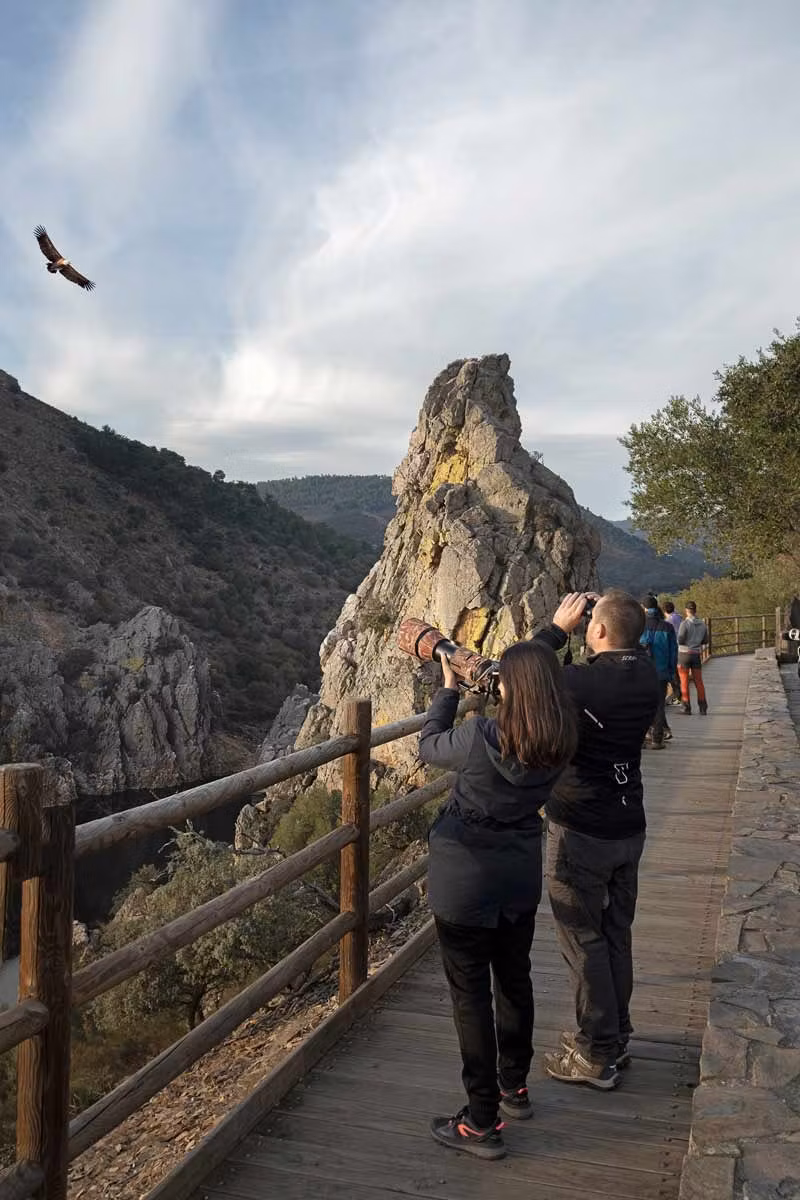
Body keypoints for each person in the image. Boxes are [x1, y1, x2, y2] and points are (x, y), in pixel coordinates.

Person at [420, 623, 579, 1160]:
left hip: (464, 881)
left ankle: (480, 1121)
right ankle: (515, 1087)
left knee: (470, 998)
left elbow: (429, 746)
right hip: (517, 877)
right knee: (514, 981)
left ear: (511, 688)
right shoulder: (561, 738)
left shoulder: (480, 737)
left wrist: (448, 691)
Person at [535, 589, 660, 1089]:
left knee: (582, 940)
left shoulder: (580, 682)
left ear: (600, 630)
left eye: (591, 622)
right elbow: (621, 648)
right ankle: (614, 1036)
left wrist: (556, 629)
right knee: (614, 934)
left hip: (581, 829)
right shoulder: (646, 674)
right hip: (629, 825)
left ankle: (595, 1055)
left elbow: (524, 671)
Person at [640, 594, 678, 747]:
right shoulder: (667, 627)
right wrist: (671, 672)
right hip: (661, 672)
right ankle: (657, 739)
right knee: (659, 704)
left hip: (642, 672)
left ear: (644, 608)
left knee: (640, 704)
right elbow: (673, 653)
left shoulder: (639, 626)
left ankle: (642, 738)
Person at [677, 601, 709, 714]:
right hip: (696, 654)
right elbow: (705, 640)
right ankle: (703, 707)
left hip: (684, 654)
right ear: (695, 610)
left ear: (686, 610)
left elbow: (680, 640)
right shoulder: (703, 624)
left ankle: (686, 707)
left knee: (684, 681)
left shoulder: (684, 624)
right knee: (699, 681)